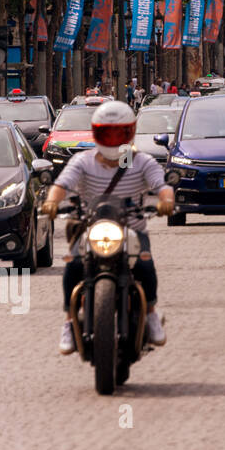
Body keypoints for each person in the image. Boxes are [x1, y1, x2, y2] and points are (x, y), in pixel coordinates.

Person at [41, 101, 175, 353]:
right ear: (96, 133)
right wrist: (51, 201)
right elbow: (63, 184)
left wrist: (166, 200)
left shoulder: (139, 161)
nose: (113, 140)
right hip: (92, 230)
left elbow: (161, 184)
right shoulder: (83, 161)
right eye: (107, 133)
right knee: (73, 266)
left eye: (119, 133)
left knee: (145, 265)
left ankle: (151, 314)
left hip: (132, 230)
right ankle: (70, 322)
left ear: (130, 133)